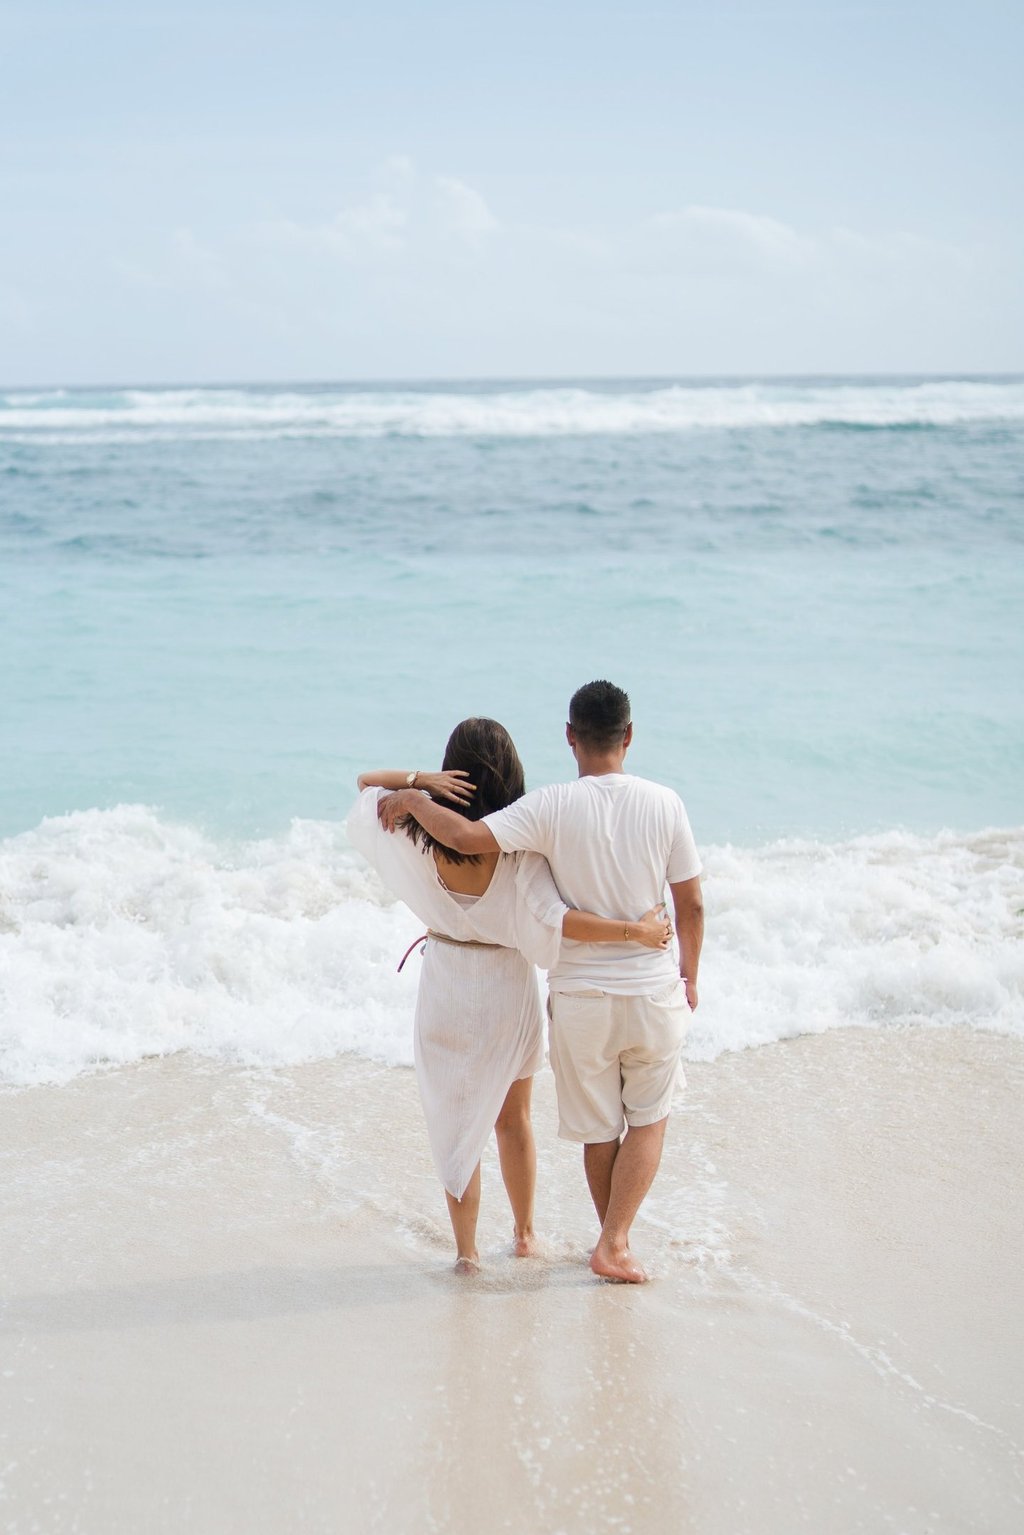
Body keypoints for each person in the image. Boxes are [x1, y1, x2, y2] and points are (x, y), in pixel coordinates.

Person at [378, 682, 704, 1284]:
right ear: (628, 735)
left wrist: (416, 791)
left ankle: (469, 1253)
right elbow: (676, 905)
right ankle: (554, 1237)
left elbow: (381, 797)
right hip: (536, 984)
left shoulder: (438, 834)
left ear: (570, 736)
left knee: (468, 1119)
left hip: (470, 982)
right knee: (526, 1120)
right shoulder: (532, 846)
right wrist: (655, 949)